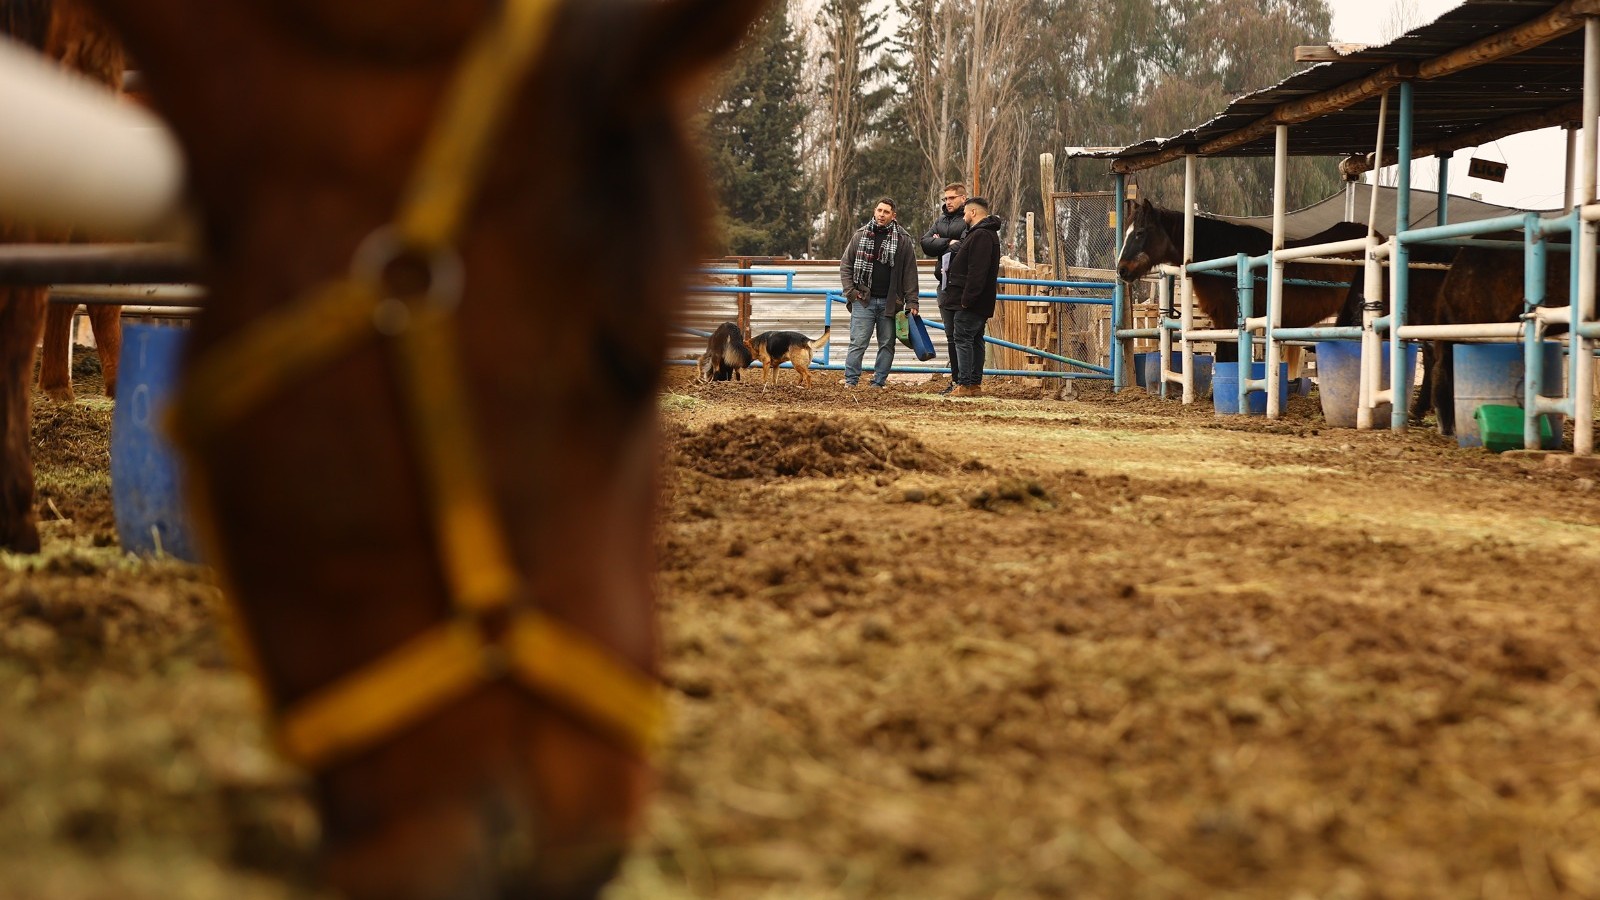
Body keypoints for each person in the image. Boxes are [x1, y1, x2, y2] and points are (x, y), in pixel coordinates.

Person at [838, 198, 919, 388]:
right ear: (875, 211)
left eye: (886, 212)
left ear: (893, 216)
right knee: (858, 342)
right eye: (879, 210)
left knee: (887, 344)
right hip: (863, 300)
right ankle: (851, 381)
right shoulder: (860, 235)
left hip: (890, 302)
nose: (882, 215)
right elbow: (846, 265)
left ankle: (879, 382)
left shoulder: (903, 239)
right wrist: (851, 292)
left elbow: (910, 272)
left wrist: (912, 301)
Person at [940, 197, 1003, 397]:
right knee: (975, 339)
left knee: (963, 338)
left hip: (970, 301)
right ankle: (974, 384)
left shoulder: (981, 235)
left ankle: (965, 384)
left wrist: (967, 300)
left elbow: (977, 271)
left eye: (966, 212)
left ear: (973, 213)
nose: (964, 216)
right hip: (977, 300)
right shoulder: (983, 234)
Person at [921, 183, 968, 394]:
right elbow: (925, 243)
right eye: (945, 198)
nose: (948, 202)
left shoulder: (969, 218)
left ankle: (967, 381)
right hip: (944, 285)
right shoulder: (941, 220)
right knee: (951, 336)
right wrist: (948, 242)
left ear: (963, 198)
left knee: (964, 335)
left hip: (963, 285)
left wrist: (940, 242)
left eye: (952, 198)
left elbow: (965, 245)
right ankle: (956, 380)